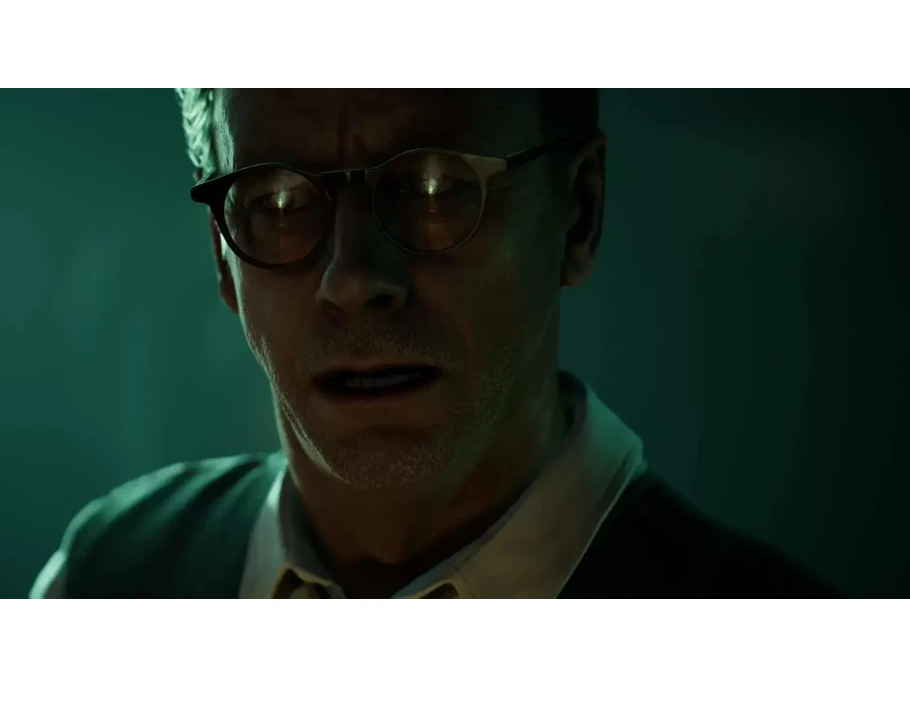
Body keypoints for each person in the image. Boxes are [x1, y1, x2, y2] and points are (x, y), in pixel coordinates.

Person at [30, 89, 839, 599]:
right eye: (276, 201)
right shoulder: (104, 583)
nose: (354, 278)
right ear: (221, 256)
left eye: (435, 186)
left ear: (580, 212)